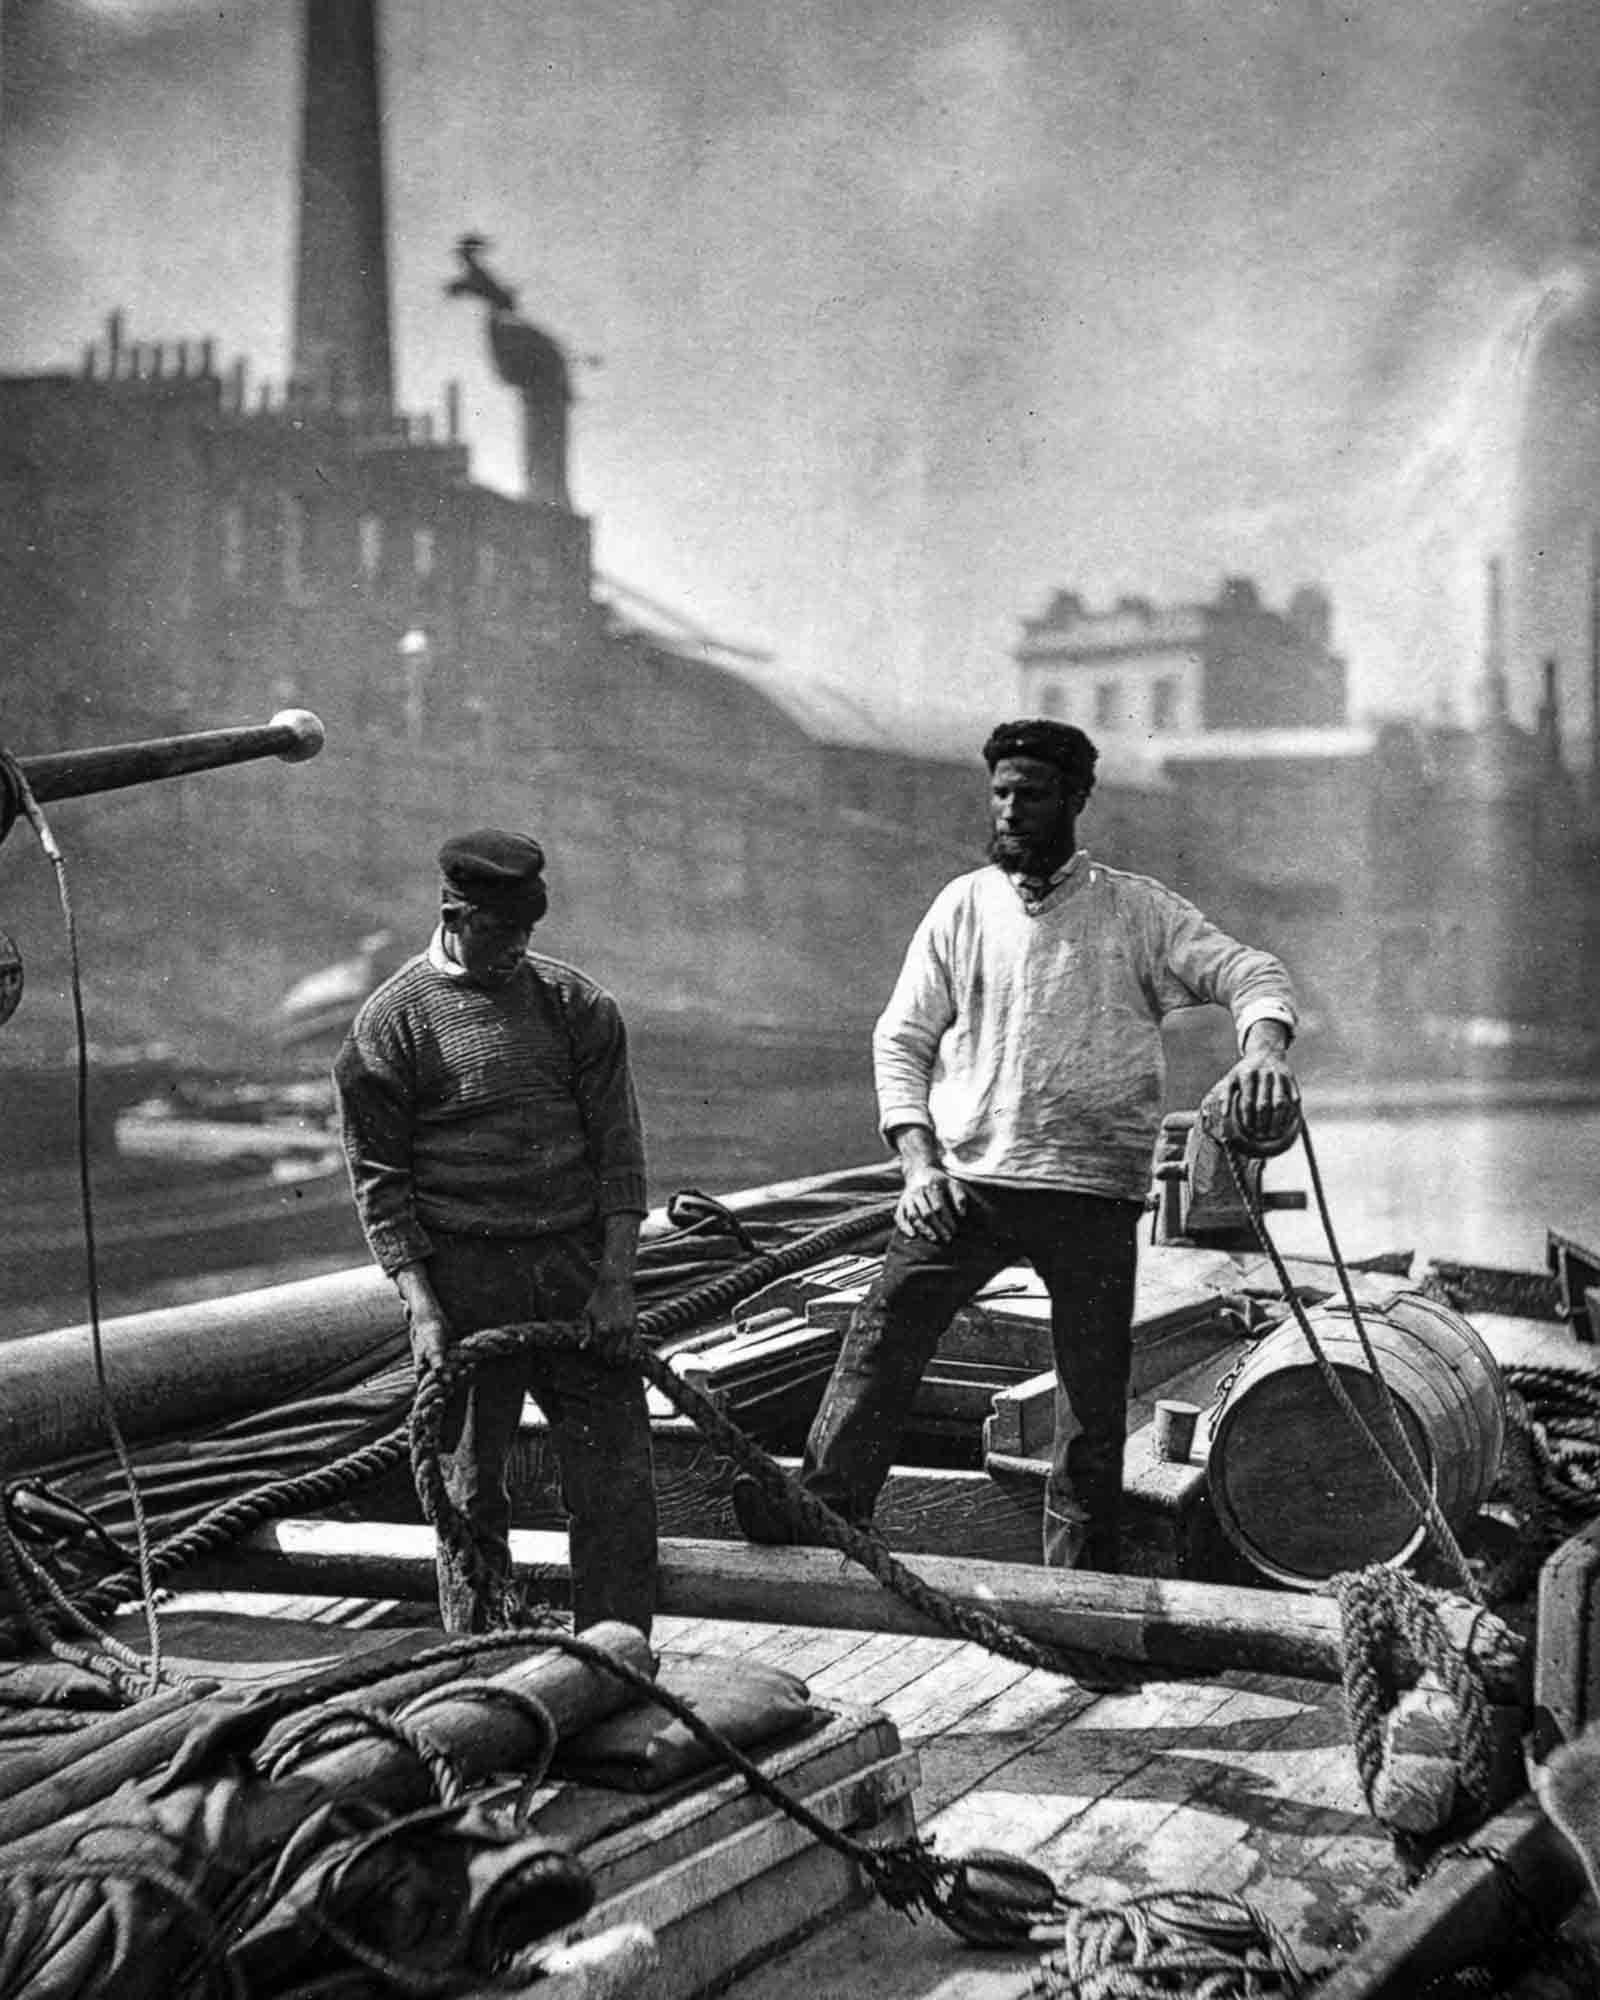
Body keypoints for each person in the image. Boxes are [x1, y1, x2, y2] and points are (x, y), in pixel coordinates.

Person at [733, 718, 1299, 1572]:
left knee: (1091, 1398)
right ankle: (826, 1511)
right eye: (999, 794)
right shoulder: (961, 906)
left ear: (1075, 800)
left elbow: (1252, 972)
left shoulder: (1139, 912)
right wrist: (918, 1161)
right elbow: (902, 1041)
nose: (1009, 812)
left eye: (1030, 795)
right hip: (965, 1184)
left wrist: (1262, 1052)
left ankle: (1077, 1583)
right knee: (882, 1339)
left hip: (1092, 1195)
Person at [333, 828, 656, 1635]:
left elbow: (620, 1157)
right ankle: (482, 1667)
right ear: (454, 914)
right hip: (465, 1277)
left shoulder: (578, 1007)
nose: (517, 950)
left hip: (575, 1266)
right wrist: (423, 1307)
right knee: (469, 1490)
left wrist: (615, 1282)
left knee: (614, 1481)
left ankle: (619, 1657)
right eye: (500, 933)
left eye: (527, 934)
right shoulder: (389, 1026)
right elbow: (380, 1184)